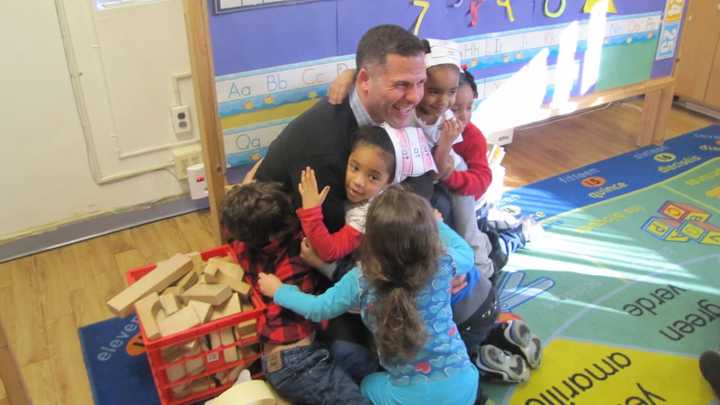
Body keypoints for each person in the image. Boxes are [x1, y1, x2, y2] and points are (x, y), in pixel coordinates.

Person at [257, 185, 479, 405]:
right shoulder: (441, 263)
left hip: (410, 398)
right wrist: (437, 224)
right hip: (464, 383)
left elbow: (318, 309)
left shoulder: (362, 279)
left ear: (371, 240)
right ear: (428, 236)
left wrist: (279, 291)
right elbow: (467, 254)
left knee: (368, 384)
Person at [254, 24, 432, 234]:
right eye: (401, 85)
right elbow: (329, 232)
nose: (414, 97)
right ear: (364, 80)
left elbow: (423, 179)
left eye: (420, 83)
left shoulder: (391, 109)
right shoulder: (323, 145)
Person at [220, 183, 369, 404]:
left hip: (283, 360)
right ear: (274, 235)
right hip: (297, 363)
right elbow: (329, 285)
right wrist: (311, 212)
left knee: (362, 370)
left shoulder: (241, 248)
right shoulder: (296, 254)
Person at [297, 125, 435, 267]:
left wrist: (311, 212)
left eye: (373, 177)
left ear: (389, 182)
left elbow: (330, 251)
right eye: (355, 167)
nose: (358, 182)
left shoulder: (367, 215)